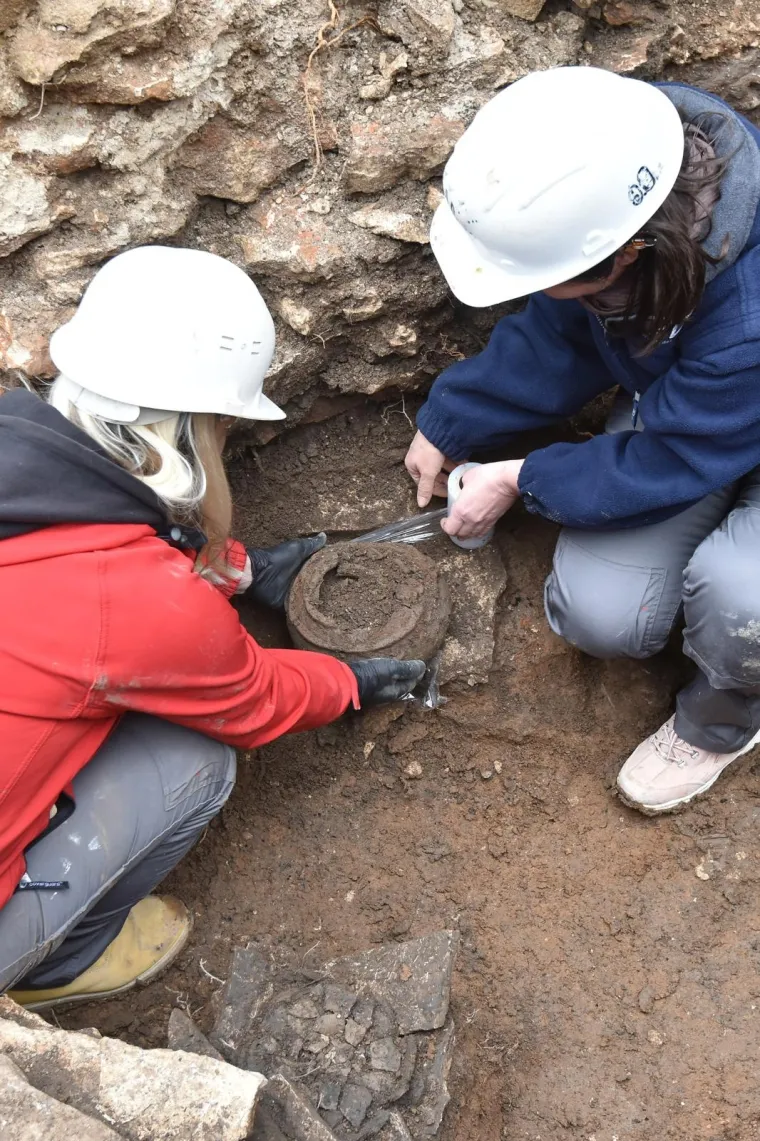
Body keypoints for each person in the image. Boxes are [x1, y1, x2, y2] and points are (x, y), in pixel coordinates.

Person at [0, 245, 425, 1010]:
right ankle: (56, 964)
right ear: (188, 431)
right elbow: (255, 699)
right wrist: (348, 679)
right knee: (197, 755)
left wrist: (239, 568)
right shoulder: (134, 603)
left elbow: (88, 540)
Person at [406, 66, 760, 816]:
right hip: (700, 414)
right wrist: (453, 418)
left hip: (712, 416)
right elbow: (563, 330)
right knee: (601, 609)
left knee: (740, 596)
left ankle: (721, 719)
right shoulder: (625, 176)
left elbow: (668, 460)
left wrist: (520, 475)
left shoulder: (744, 312)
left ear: (625, 256)